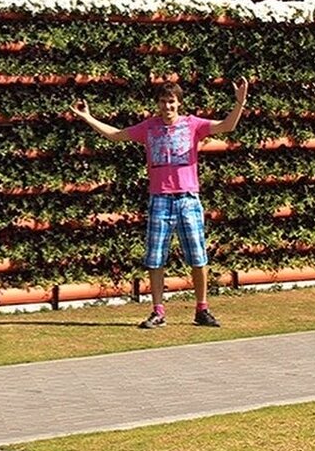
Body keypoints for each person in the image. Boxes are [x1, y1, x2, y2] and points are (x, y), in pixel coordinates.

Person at [70, 78, 248, 328]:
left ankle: (202, 309)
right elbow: (116, 135)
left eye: (172, 102)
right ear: (158, 104)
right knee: (155, 259)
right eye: (163, 102)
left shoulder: (193, 124)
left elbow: (227, 126)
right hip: (160, 200)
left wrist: (240, 102)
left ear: (179, 103)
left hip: (188, 198)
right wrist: (87, 117)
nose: (168, 106)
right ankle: (158, 312)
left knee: (198, 257)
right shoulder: (149, 127)